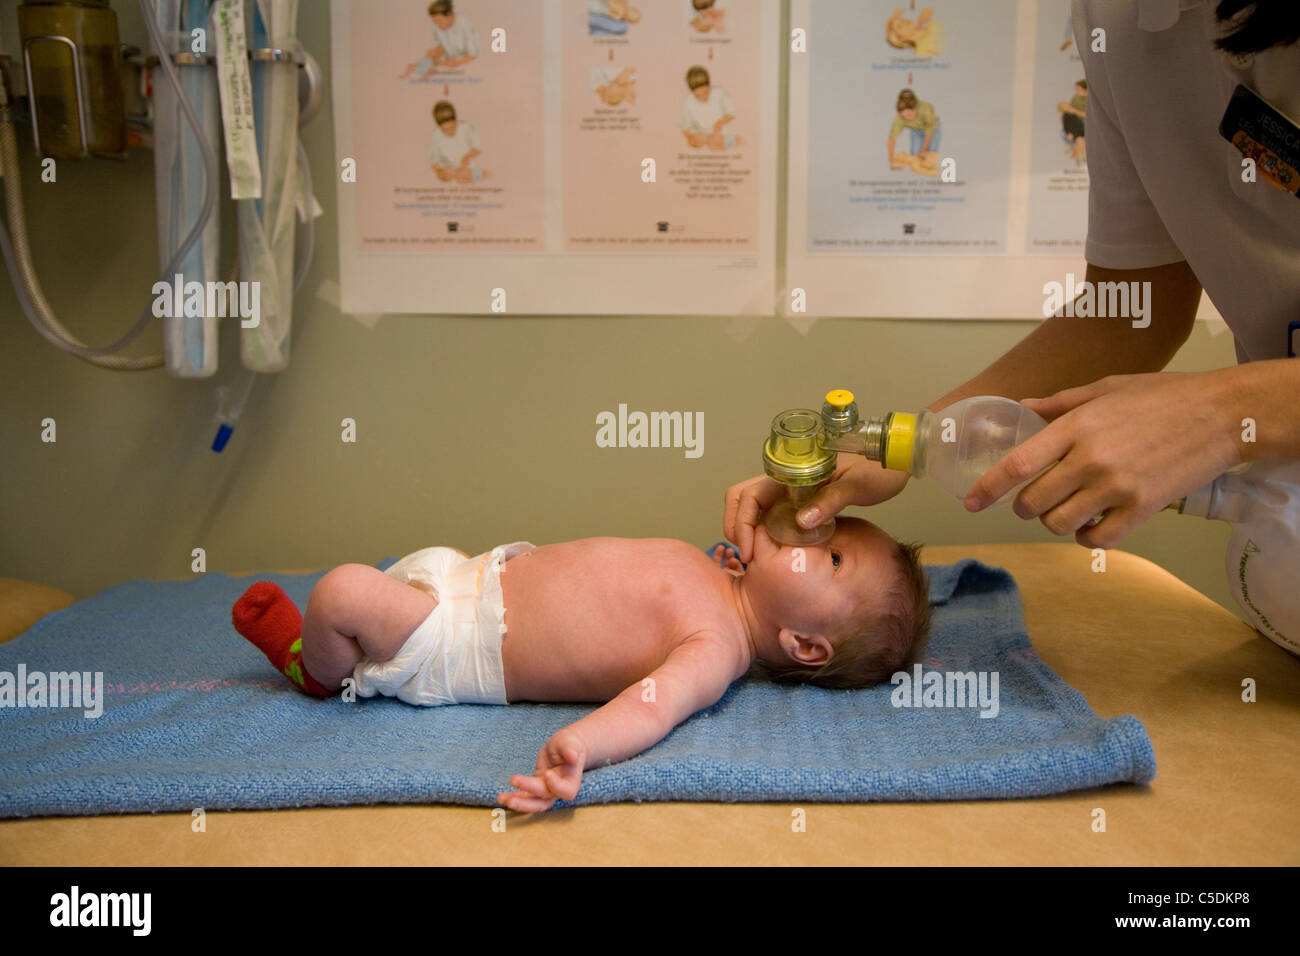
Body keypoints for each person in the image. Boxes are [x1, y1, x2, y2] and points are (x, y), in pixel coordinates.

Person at [727, 0, 1300, 564]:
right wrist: (903, 445)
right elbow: (1130, 315)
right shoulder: (1116, 19)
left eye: (837, 565)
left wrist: (1225, 414)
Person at [231, 517, 930, 812]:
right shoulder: (725, 583)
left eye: (832, 558)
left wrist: (583, 747)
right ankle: (342, 646)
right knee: (368, 591)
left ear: (806, 645)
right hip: (471, 577)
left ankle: (316, 672)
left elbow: (654, 705)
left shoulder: (716, 649)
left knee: (342, 592)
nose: (814, 533)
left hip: (457, 643)